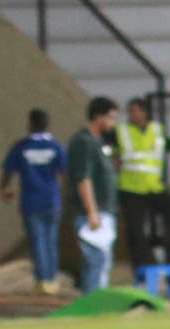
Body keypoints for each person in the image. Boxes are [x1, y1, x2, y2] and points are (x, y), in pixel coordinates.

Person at [116, 96, 170, 272]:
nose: (131, 114)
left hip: (153, 187)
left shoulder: (156, 131)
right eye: (129, 111)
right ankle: (146, 266)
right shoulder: (122, 131)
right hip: (131, 188)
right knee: (135, 231)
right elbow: (110, 151)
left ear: (144, 112)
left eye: (134, 110)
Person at [1, 108, 68, 294]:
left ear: (30, 123)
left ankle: (42, 280)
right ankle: (52, 279)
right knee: (51, 241)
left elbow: (8, 171)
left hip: (31, 201)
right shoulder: (56, 146)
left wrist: (5, 188)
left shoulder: (21, 147)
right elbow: (65, 173)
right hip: (51, 200)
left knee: (37, 241)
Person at [67, 96, 121, 293]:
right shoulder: (84, 142)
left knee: (102, 259)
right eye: (111, 118)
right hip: (92, 212)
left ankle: (97, 299)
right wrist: (91, 211)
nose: (113, 124)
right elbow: (84, 178)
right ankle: (93, 302)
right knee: (97, 259)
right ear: (98, 117)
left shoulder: (100, 143)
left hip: (105, 210)